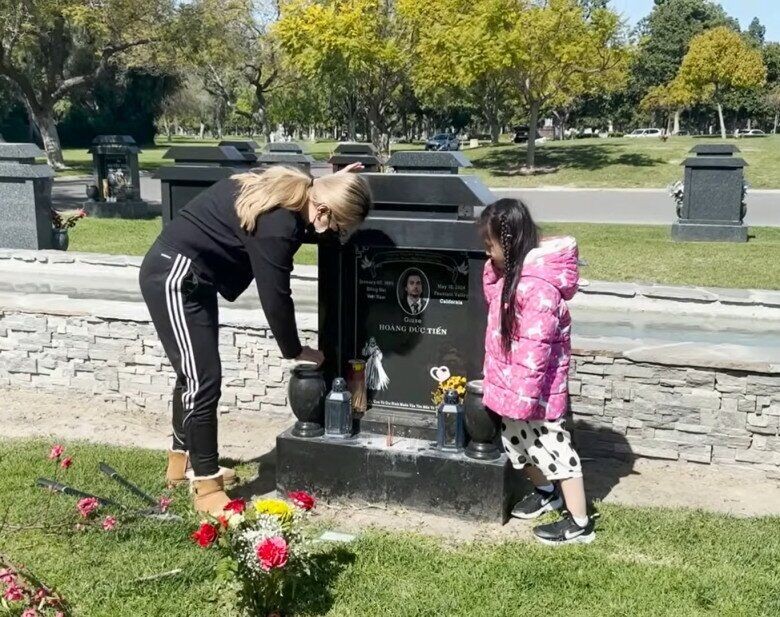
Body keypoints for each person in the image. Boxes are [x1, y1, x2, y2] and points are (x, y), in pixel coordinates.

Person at [139, 163, 372, 514]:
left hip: (192, 279)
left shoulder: (291, 190)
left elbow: (310, 218)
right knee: (202, 380)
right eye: (338, 225)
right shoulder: (279, 225)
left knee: (195, 375)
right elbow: (276, 297)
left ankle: (181, 463)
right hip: (173, 277)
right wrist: (295, 349)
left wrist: (337, 182)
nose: (336, 233)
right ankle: (206, 485)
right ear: (323, 210)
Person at [479, 198, 594, 545]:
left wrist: (524, 396)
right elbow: (493, 299)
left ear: (509, 242)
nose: (486, 250)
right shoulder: (511, 276)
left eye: (489, 243)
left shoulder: (539, 288)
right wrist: (494, 268)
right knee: (517, 443)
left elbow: (536, 348)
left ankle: (579, 522)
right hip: (512, 385)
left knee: (556, 450)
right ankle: (546, 493)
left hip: (535, 393)